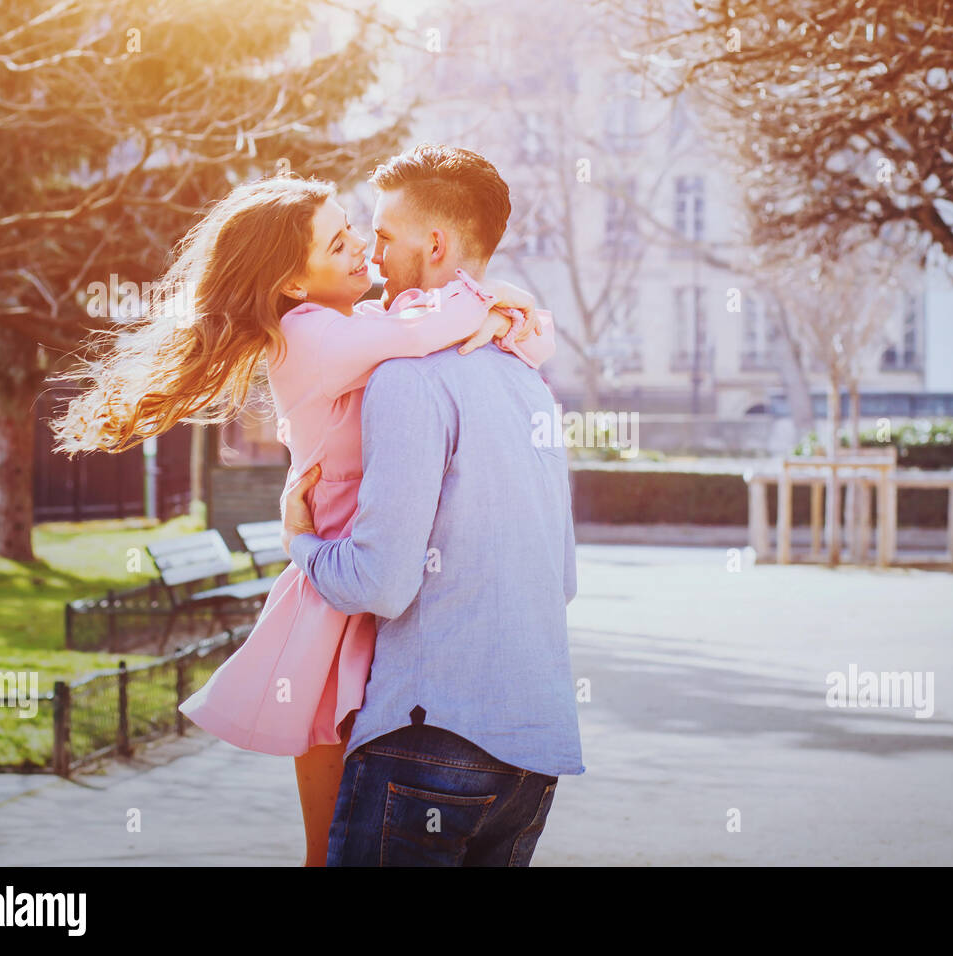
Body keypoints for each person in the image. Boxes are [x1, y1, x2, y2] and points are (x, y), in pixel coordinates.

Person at [49, 169, 553, 866]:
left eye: (359, 233)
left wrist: (509, 310)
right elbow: (439, 324)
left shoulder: (359, 327)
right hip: (336, 600)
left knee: (352, 825)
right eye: (341, 241)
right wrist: (498, 303)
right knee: (330, 846)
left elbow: (501, 335)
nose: (364, 253)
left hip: (370, 584)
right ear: (291, 281)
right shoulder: (309, 335)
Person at [280, 144, 584, 867]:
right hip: (531, 756)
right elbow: (563, 579)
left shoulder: (408, 379)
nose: (373, 256)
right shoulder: (528, 380)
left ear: (436, 244)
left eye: (383, 237)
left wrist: (302, 543)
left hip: (427, 747)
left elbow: (382, 582)